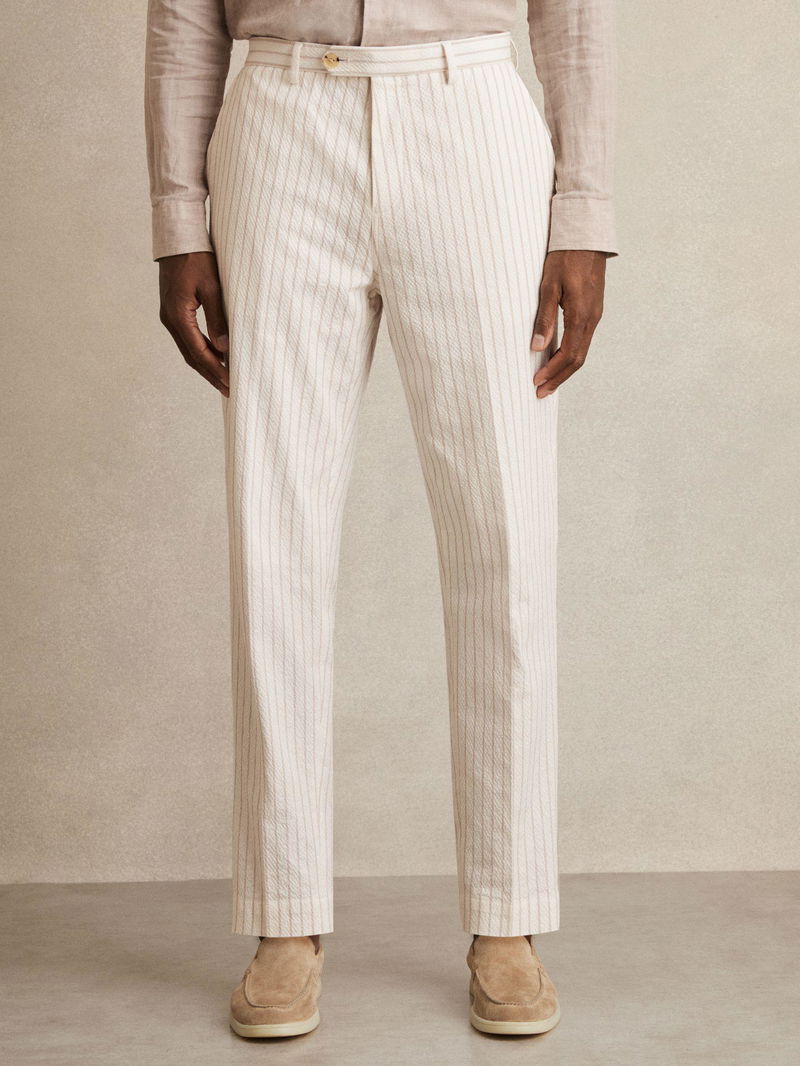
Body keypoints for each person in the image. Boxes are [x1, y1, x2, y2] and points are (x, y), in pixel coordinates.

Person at [145, 0, 617, 1039]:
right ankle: (283, 917)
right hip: (279, 121)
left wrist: (581, 212)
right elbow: (183, 15)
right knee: (275, 532)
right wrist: (179, 218)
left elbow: (572, 13)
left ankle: (507, 916)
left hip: (469, 116)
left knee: (503, 533)